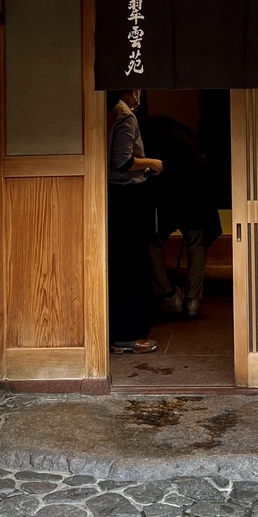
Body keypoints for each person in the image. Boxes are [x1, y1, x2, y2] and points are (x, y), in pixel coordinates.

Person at [143, 114, 222, 319]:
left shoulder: (149, 136)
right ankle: (193, 300)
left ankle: (168, 296)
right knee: (196, 245)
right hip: (196, 195)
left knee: (152, 243)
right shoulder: (187, 137)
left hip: (166, 197)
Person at [107, 89, 163, 353]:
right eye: (137, 90)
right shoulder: (125, 116)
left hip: (114, 196)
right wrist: (152, 162)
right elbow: (123, 161)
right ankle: (127, 335)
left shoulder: (107, 112)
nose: (138, 96)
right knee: (131, 266)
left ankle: (118, 333)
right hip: (127, 195)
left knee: (119, 265)